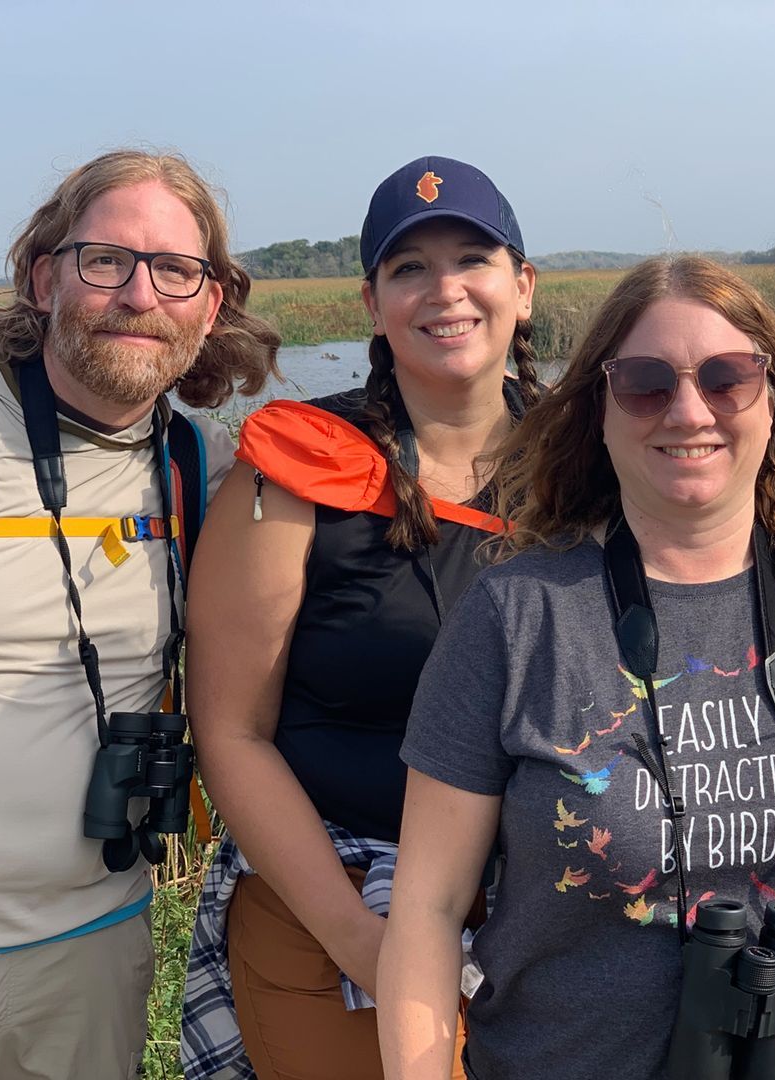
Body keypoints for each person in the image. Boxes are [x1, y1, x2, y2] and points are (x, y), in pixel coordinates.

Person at [378, 255, 775, 1080]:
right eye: (645, 382)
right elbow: (428, 910)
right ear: (598, 413)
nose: (689, 411)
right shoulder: (515, 617)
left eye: (729, 377)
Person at [0, 149, 279, 1079]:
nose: (138, 295)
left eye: (175, 270)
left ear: (211, 301)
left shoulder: (201, 469)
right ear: (45, 277)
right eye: (105, 260)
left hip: (89, 950)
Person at [180, 156, 539, 1080]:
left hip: (555, 907)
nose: (445, 290)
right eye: (408, 267)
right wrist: (358, 939)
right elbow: (232, 730)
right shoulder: (297, 466)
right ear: (372, 304)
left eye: (473, 259)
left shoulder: (604, 459)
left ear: (524, 287)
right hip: (339, 907)